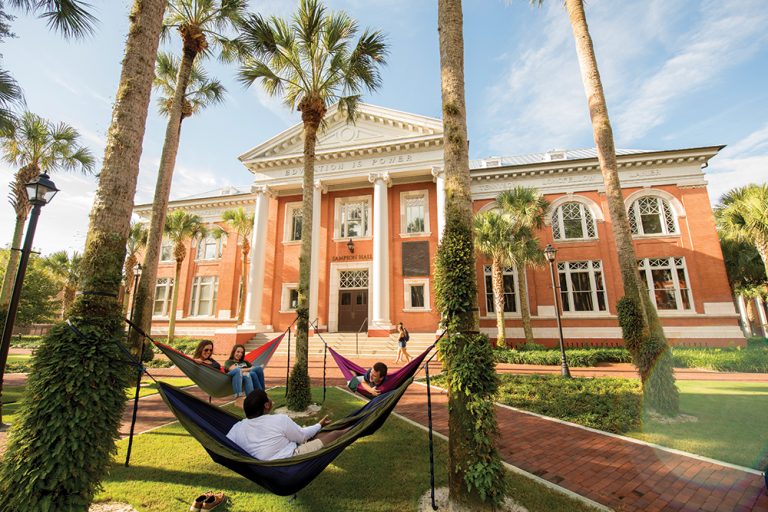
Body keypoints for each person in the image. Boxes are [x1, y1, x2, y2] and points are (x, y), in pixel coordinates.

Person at [226, 389, 344, 460]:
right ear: (266, 405)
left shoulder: (237, 427)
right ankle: (356, 429)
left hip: (260, 466)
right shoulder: (279, 420)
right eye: (268, 397)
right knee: (334, 434)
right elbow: (302, 436)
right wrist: (319, 425)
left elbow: (225, 444)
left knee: (317, 435)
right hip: (287, 461)